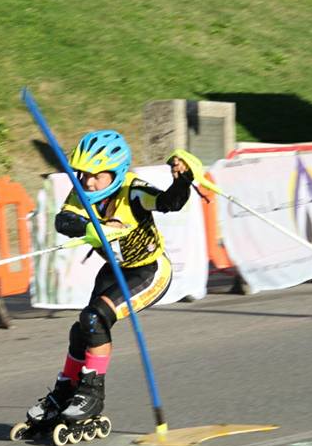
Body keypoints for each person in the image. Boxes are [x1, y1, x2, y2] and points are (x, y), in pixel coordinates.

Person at [26, 129, 200, 426]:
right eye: (83, 174)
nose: (88, 182)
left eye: (97, 175)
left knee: (95, 318)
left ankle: (92, 394)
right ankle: (65, 390)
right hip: (115, 269)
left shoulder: (132, 192)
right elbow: (63, 220)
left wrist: (183, 179)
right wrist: (90, 229)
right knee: (82, 329)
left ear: (116, 172)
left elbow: (170, 203)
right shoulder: (82, 192)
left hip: (148, 270)